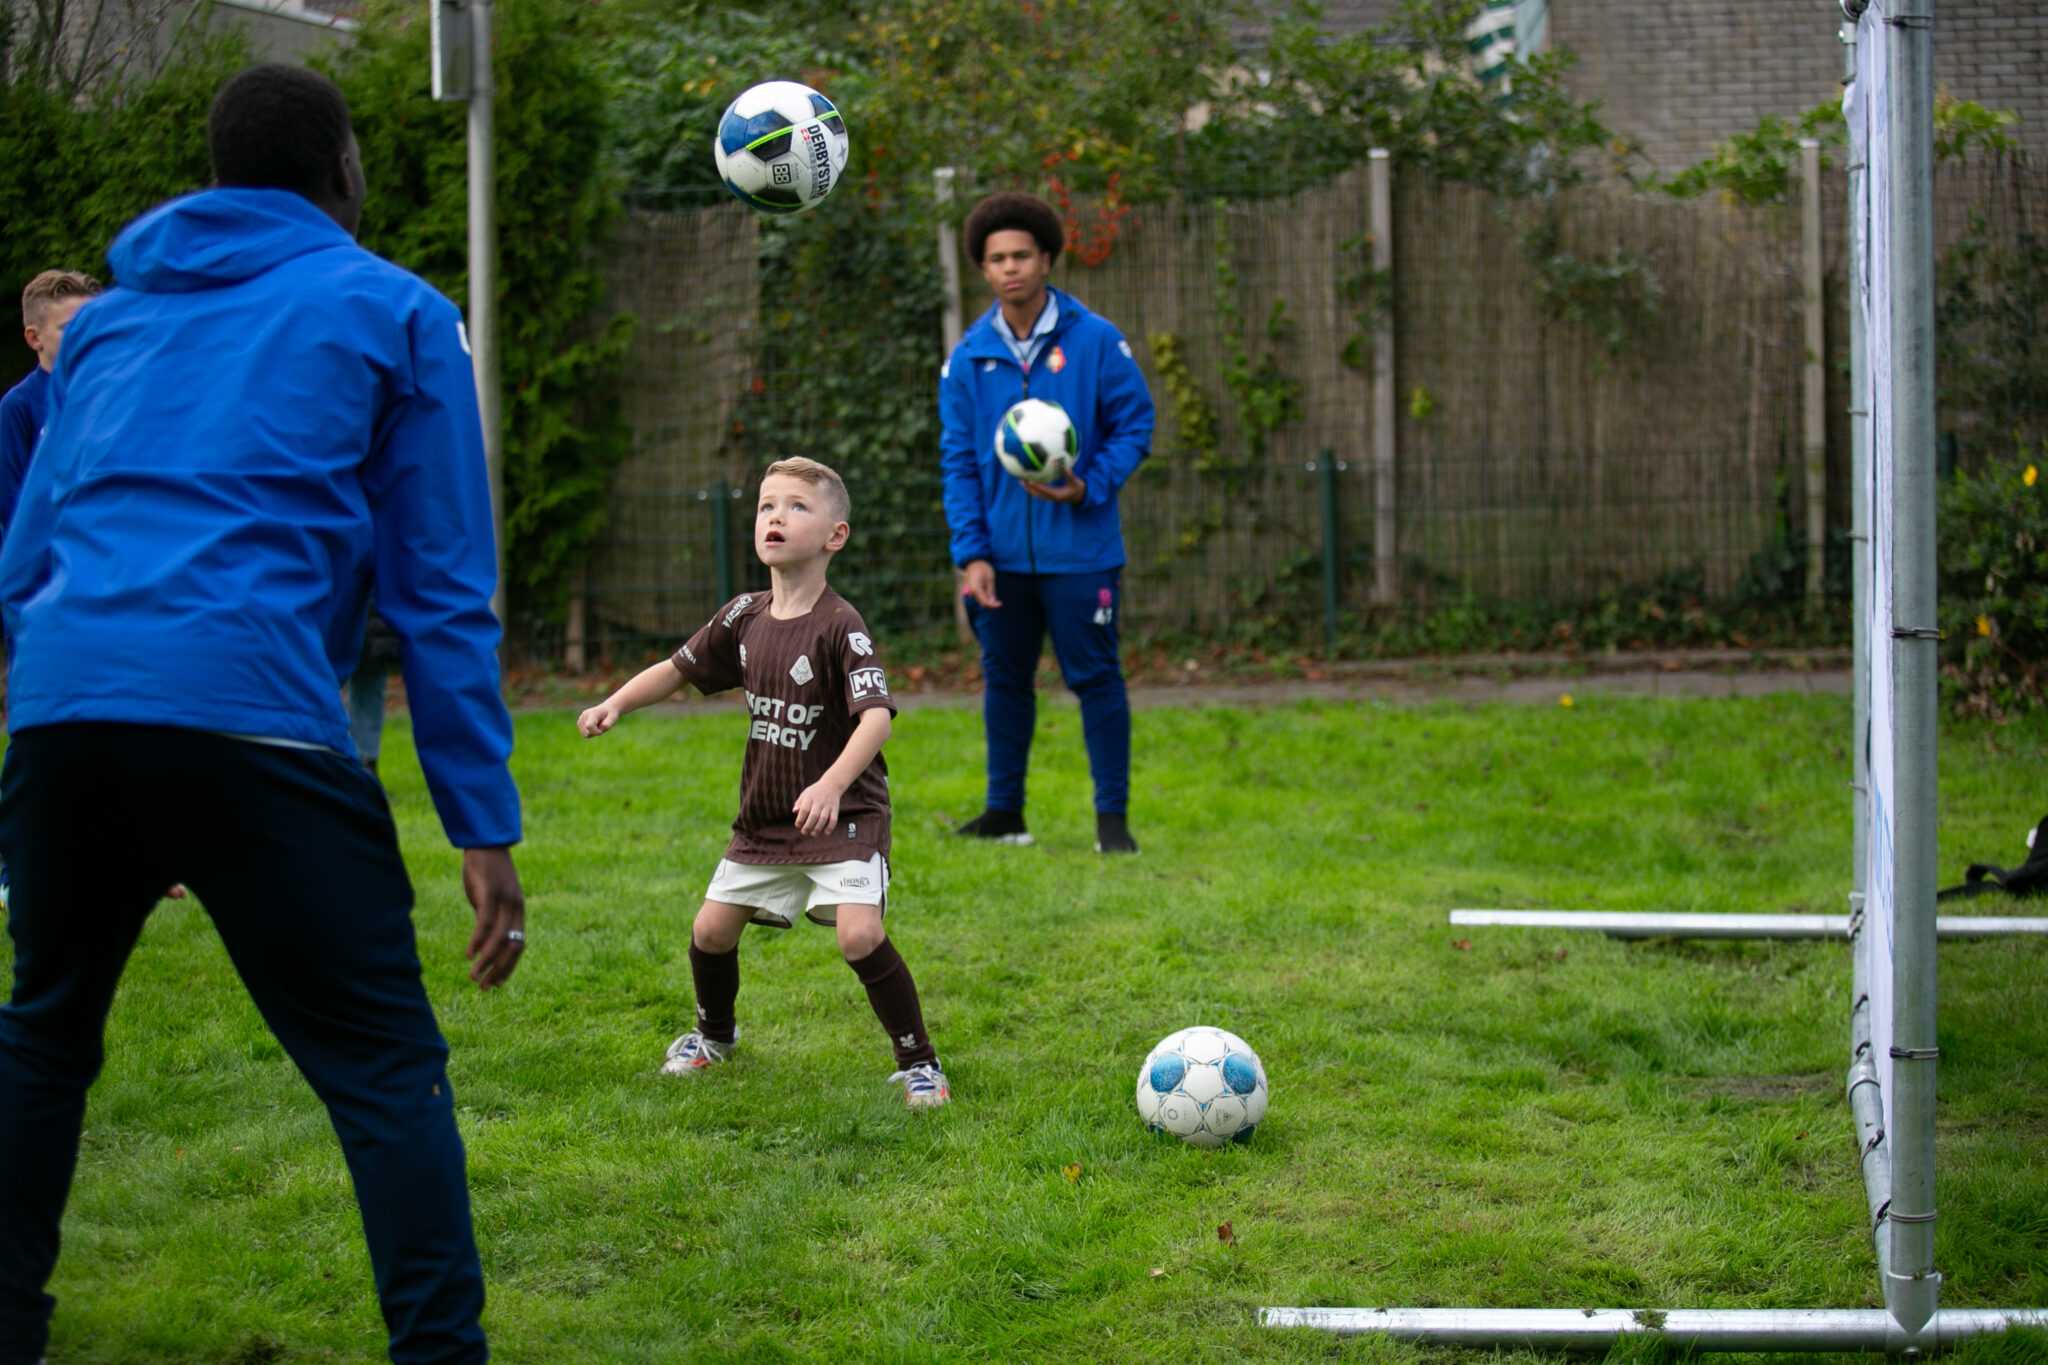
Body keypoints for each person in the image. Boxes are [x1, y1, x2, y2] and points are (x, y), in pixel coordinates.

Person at [0, 65, 524, 1365]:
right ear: (341, 171)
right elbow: (442, 590)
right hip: (257, 727)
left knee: (45, 1033)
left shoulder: (109, 327)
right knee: (385, 1068)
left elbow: (23, 564)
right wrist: (483, 821)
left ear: (217, 174)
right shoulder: (397, 312)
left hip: (65, 716)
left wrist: (82, 686)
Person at [577, 457, 949, 1108]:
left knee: (858, 935)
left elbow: (877, 720)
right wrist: (616, 702)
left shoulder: (842, 625)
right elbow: (676, 668)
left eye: (797, 506)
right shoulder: (743, 616)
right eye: (765, 505)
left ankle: (919, 1063)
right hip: (767, 819)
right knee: (711, 931)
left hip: (845, 815)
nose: (775, 516)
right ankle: (713, 1037)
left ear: (836, 534)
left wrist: (832, 785)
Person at [939, 191, 1155, 854]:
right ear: (982, 268)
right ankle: (1005, 813)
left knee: (1095, 678)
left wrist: (1087, 486)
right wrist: (972, 553)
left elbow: (1136, 425)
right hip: (1000, 558)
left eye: (1022, 255)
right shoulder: (969, 356)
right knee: (1004, 679)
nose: (1011, 268)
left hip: (1082, 553)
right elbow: (958, 460)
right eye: (997, 258)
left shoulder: (1094, 340)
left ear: (1047, 259)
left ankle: (1111, 823)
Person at [1, 271, 102, 542]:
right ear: (35, 338)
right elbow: (11, 504)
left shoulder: (113, 396)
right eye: (70, 328)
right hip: (51, 567)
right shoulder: (18, 406)